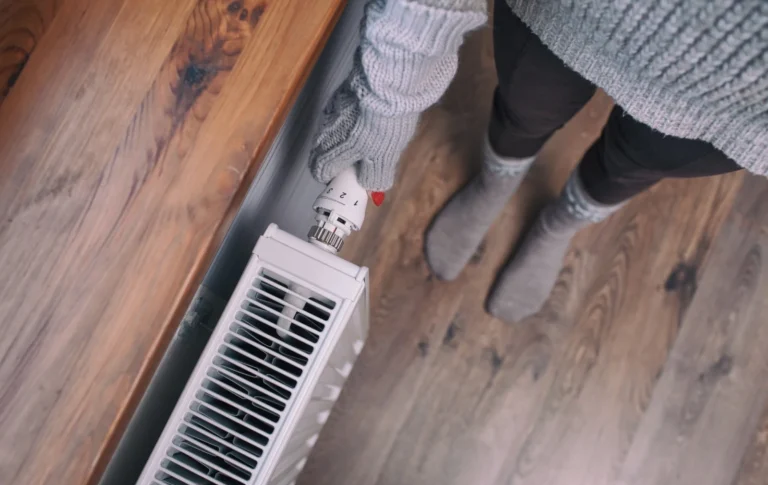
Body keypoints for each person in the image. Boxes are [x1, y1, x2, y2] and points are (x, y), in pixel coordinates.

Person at [308, 0, 767, 323]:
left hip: (739, 105)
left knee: (633, 165)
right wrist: (387, 100)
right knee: (524, 109)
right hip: (573, 10)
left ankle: (559, 225)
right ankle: (496, 183)